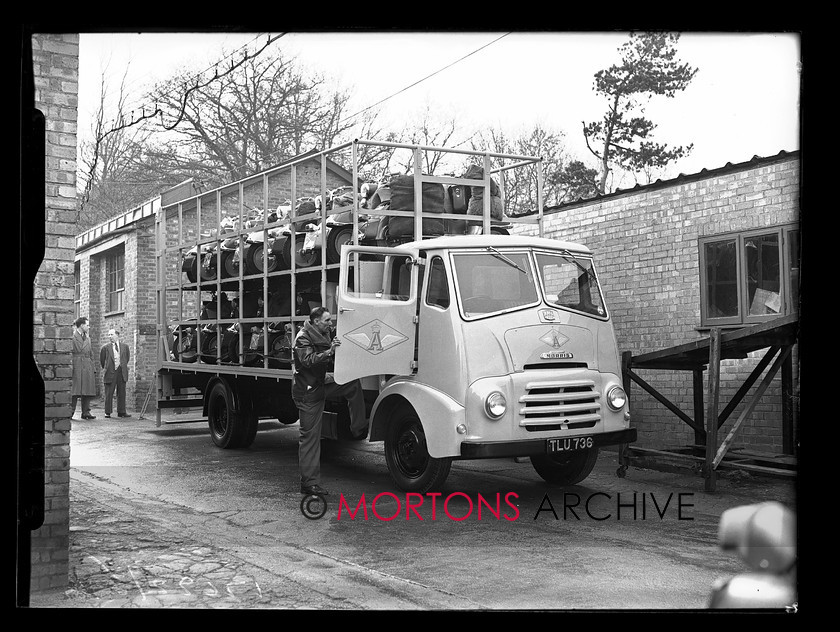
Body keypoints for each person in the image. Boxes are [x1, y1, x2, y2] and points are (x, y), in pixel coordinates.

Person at [292, 306, 367, 496]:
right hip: (308, 394)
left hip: (319, 383)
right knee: (310, 439)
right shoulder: (302, 337)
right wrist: (330, 351)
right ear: (317, 321)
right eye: (327, 320)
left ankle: (358, 428)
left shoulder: (322, 332)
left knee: (351, 383)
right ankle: (309, 484)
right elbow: (307, 360)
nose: (330, 323)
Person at [100, 328, 131, 418]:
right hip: (110, 372)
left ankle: (122, 411)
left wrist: (121, 366)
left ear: (117, 335)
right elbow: (102, 360)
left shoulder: (125, 347)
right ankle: (108, 412)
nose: (110, 337)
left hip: (121, 372)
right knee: (109, 392)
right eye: (109, 335)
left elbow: (126, 358)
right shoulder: (105, 348)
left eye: (112, 334)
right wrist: (107, 368)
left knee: (122, 392)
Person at [71, 316, 96, 419]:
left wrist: (93, 367)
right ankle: (70, 412)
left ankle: (86, 412)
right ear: (81, 325)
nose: (88, 327)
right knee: (75, 391)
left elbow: (91, 354)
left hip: (87, 365)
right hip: (76, 365)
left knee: (87, 389)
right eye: (87, 325)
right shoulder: (72, 337)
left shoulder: (88, 338)